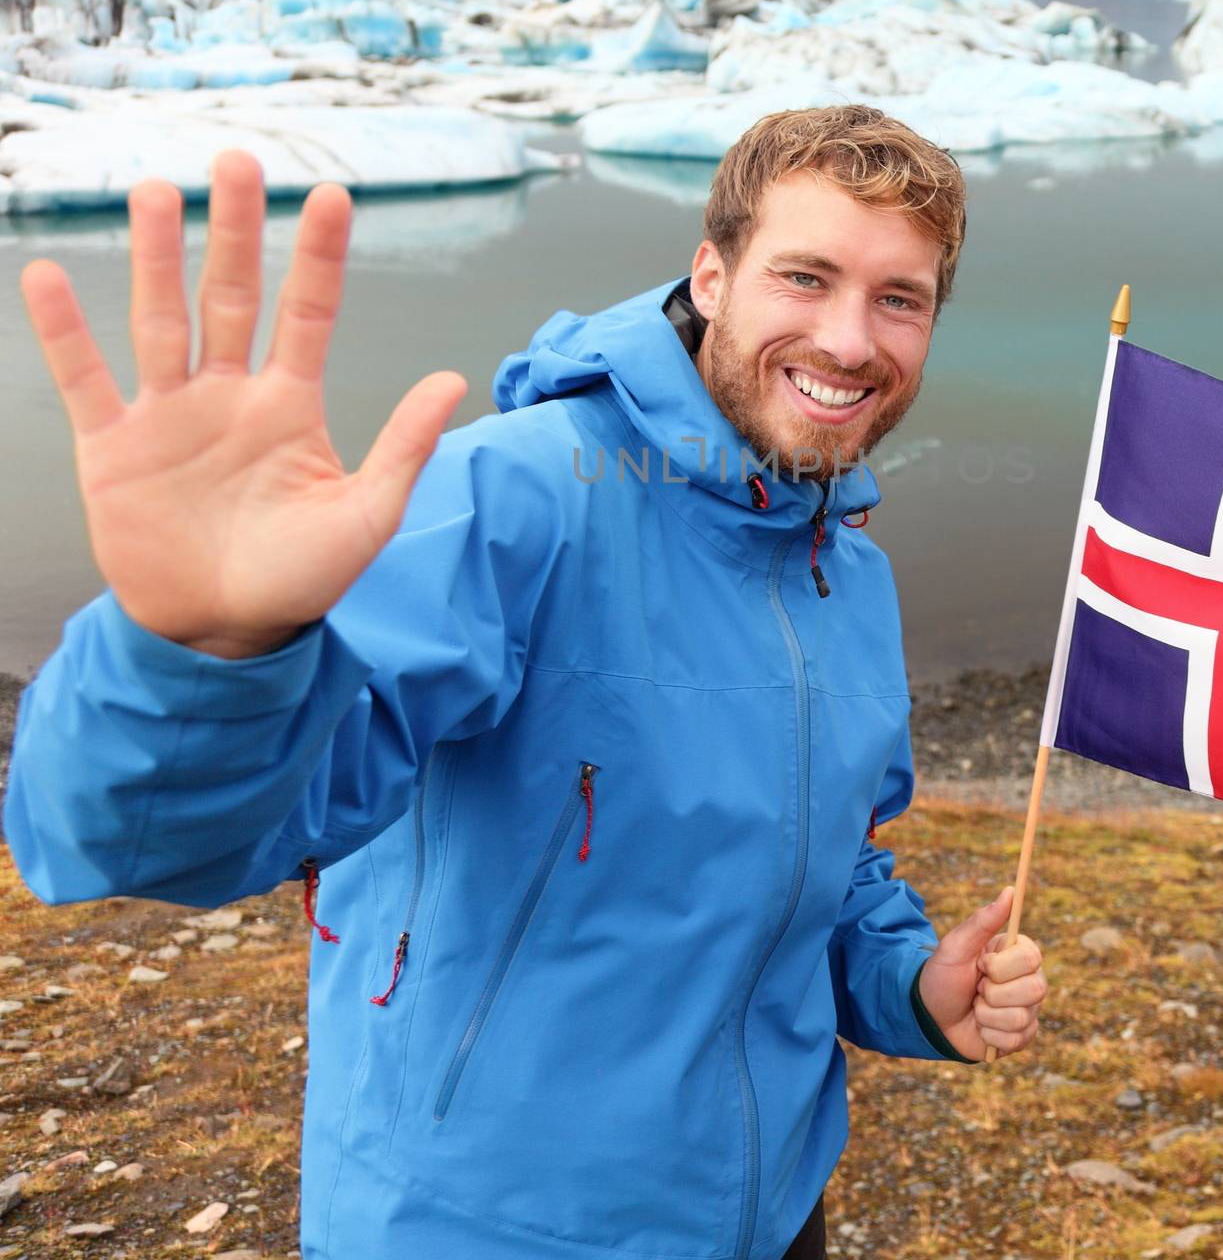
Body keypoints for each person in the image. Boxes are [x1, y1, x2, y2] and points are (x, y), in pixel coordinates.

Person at [5, 104, 1048, 1260]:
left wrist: (910, 983)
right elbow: (150, 839)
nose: (851, 341)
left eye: (897, 298)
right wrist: (200, 646)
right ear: (712, 274)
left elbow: (823, 853)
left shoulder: (842, 570)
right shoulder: (514, 497)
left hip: (764, 1212)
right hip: (488, 1223)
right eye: (805, 277)